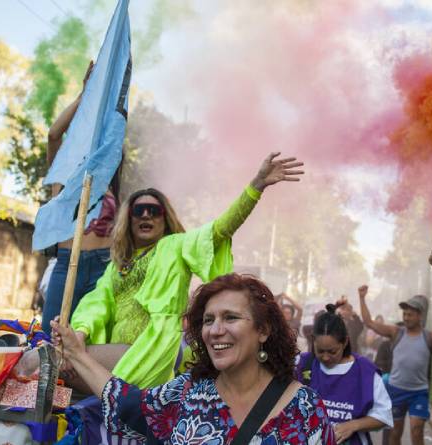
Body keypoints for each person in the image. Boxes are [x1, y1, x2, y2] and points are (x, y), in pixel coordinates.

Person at [69, 152, 304, 389]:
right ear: (128, 220)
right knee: (45, 371)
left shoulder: (176, 245)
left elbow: (221, 229)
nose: (147, 215)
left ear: (165, 217)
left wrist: (256, 186)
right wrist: (79, 332)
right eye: (138, 211)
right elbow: (96, 303)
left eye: (154, 210)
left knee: (49, 362)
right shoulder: (116, 265)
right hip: (113, 348)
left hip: (149, 349)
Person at [53, 273, 335, 443]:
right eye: (208, 320)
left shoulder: (306, 409)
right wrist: (76, 354)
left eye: (231, 317)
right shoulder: (187, 392)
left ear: (263, 330)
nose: (215, 330)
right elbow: (126, 404)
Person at [43, 60, 119, 334]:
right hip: (68, 263)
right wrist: (85, 95)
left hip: (104, 266)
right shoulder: (64, 178)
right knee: (51, 335)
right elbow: (53, 135)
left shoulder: (110, 183)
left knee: (92, 338)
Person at [297, 304, 393, 444]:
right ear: (313, 341)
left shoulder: (365, 371)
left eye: (332, 351)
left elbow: (383, 415)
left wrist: (354, 425)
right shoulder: (302, 364)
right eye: (320, 351)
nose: (325, 357)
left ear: (345, 341)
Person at [358, 285, 432, 445]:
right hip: (396, 390)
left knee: (417, 430)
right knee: (395, 433)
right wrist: (362, 298)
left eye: (410, 314)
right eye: (405, 314)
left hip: (419, 392)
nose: (406, 317)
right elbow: (369, 322)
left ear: (420, 316)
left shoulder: (430, 337)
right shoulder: (396, 332)